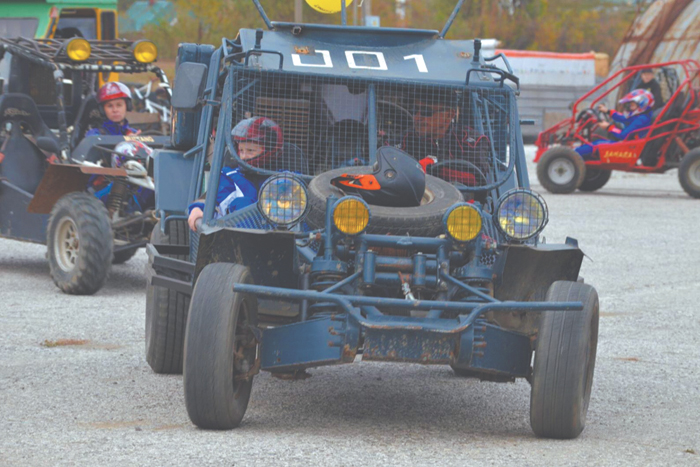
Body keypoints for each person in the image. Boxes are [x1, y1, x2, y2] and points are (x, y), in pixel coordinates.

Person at [187, 117, 283, 231]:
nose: (243, 156)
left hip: (280, 236)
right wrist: (197, 208)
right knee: (242, 204)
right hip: (233, 238)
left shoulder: (283, 179)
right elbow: (214, 202)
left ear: (269, 150)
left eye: (250, 151)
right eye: (241, 150)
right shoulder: (229, 177)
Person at [393, 96, 491, 186]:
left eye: (426, 112)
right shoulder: (403, 139)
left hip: (457, 201)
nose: (417, 117)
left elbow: (478, 177)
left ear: (449, 115)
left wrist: (434, 168)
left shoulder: (472, 141)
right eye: (414, 111)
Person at [575, 89, 654, 159]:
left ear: (642, 105)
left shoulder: (641, 119)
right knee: (598, 142)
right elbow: (624, 118)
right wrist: (608, 111)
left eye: (632, 105)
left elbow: (623, 135)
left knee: (598, 144)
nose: (629, 107)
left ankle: (574, 154)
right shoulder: (642, 116)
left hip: (631, 148)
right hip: (631, 145)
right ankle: (576, 155)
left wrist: (608, 127)